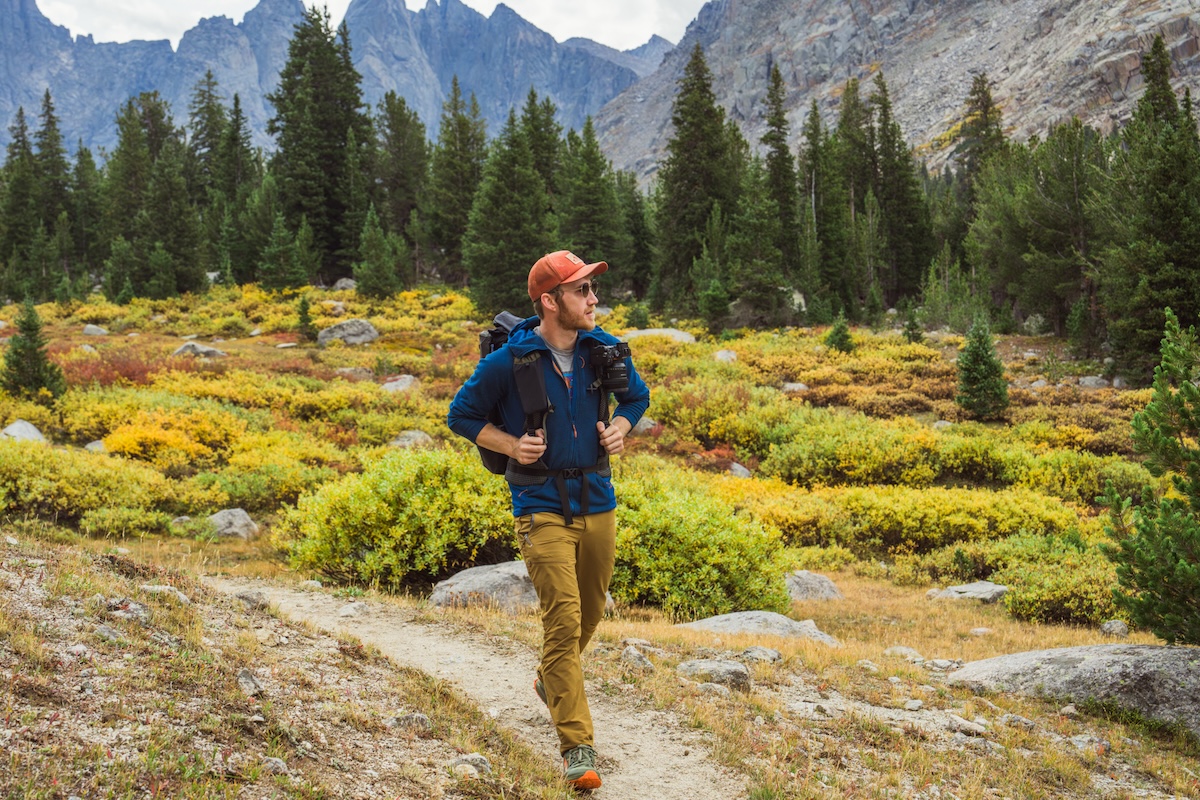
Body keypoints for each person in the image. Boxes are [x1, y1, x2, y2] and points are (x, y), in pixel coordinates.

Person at [447, 250, 650, 790]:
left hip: (597, 498)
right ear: (550, 300)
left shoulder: (604, 350)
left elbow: (637, 396)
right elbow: (460, 415)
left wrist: (622, 427)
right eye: (582, 290)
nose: (593, 298)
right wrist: (512, 444)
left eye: (591, 289)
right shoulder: (508, 364)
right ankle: (577, 747)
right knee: (562, 620)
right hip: (539, 504)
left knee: (590, 612)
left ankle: (548, 680)